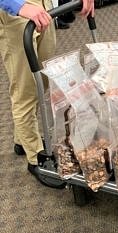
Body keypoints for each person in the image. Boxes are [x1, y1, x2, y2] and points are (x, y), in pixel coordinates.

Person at [0, 0, 94, 185]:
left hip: (46, 6)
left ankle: (22, 140)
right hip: (15, 11)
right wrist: (18, 5)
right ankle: (36, 158)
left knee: (41, 79)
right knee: (24, 89)